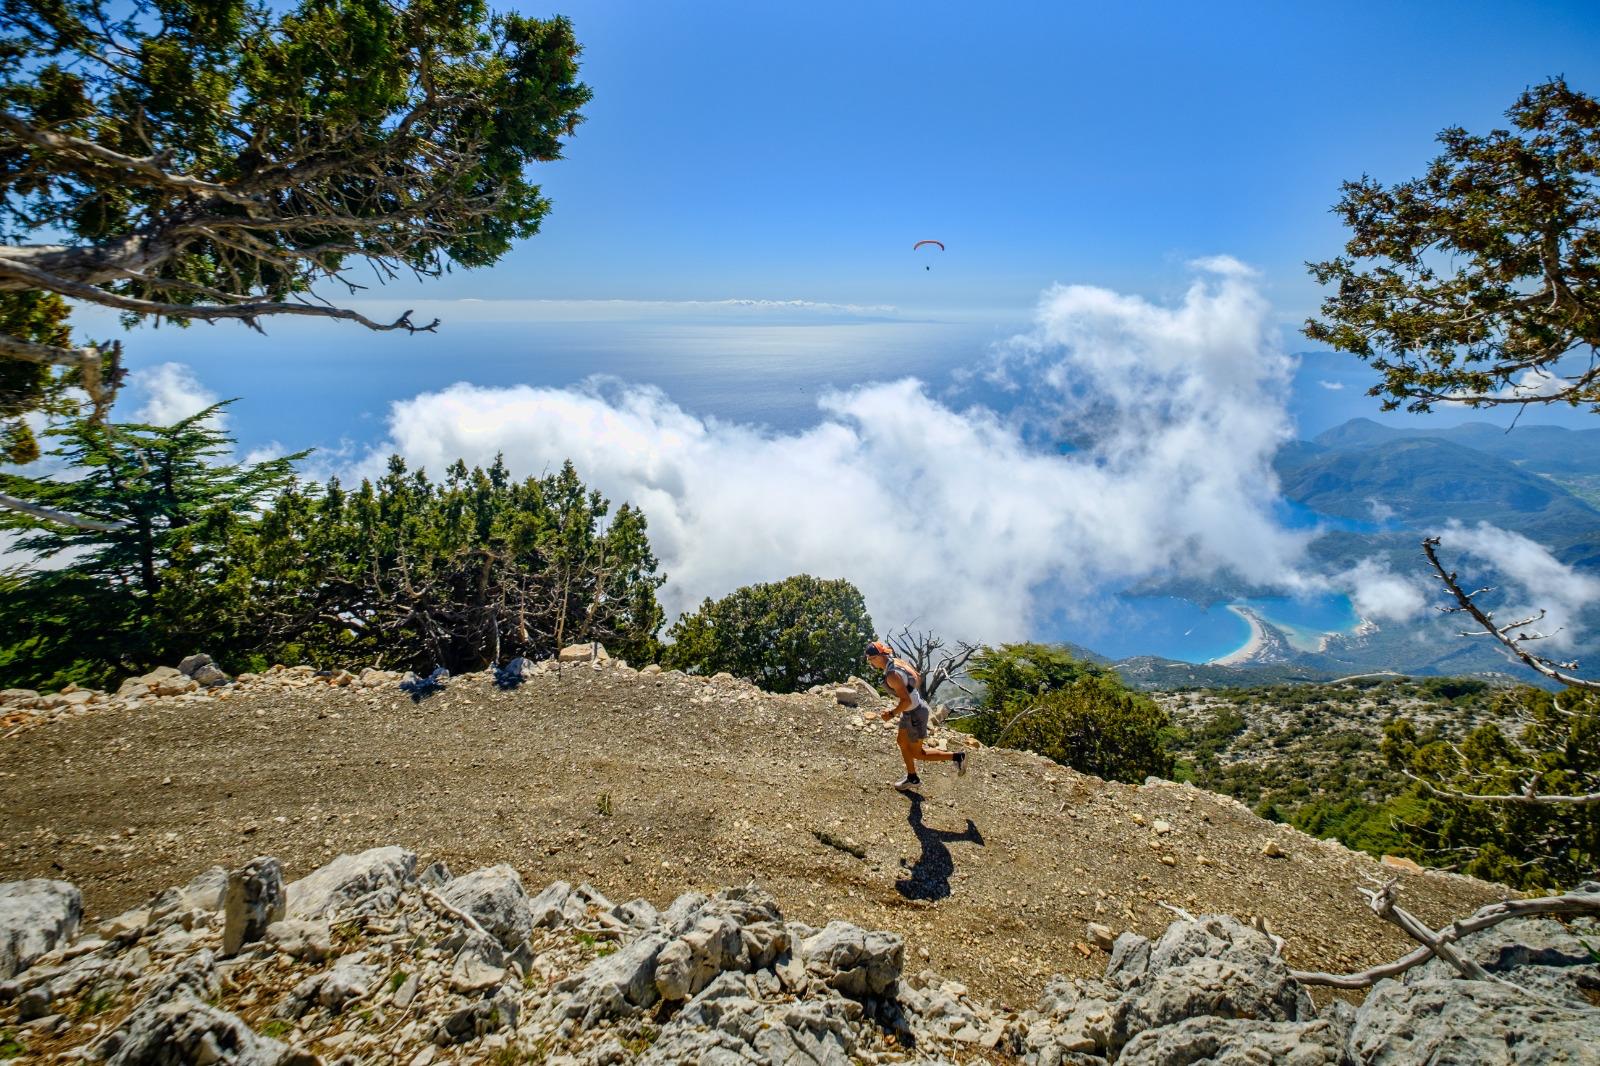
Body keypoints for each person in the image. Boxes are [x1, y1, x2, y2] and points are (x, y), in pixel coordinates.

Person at [864, 640, 968, 790]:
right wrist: (908, 691)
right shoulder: (896, 661)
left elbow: (905, 701)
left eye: (870, 658)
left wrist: (891, 714)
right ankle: (912, 777)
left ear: (879, 656)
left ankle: (958, 757)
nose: (869, 662)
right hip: (912, 710)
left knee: (918, 754)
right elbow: (918, 677)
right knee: (901, 741)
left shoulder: (892, 675)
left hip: (915, 714)